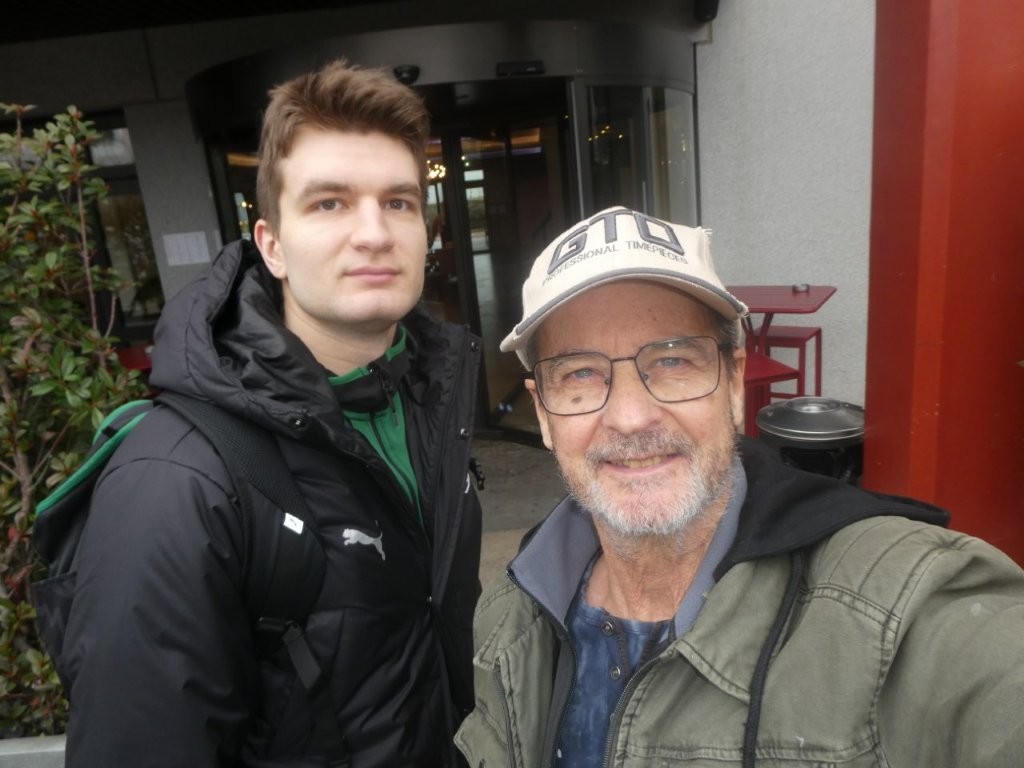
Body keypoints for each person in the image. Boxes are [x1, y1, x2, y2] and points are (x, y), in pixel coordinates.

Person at [454, 206, 1024, 767]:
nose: (630, 417)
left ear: (733, 385)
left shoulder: (890, 604)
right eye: (580, 372)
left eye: (673, 360)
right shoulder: (512, 616)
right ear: (544, 414)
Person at [62, 59, 483, 766]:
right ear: (272, 246)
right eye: (330, 204)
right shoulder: (177, 480)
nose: (374, 233)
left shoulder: (432, 407)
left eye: (399, 202)